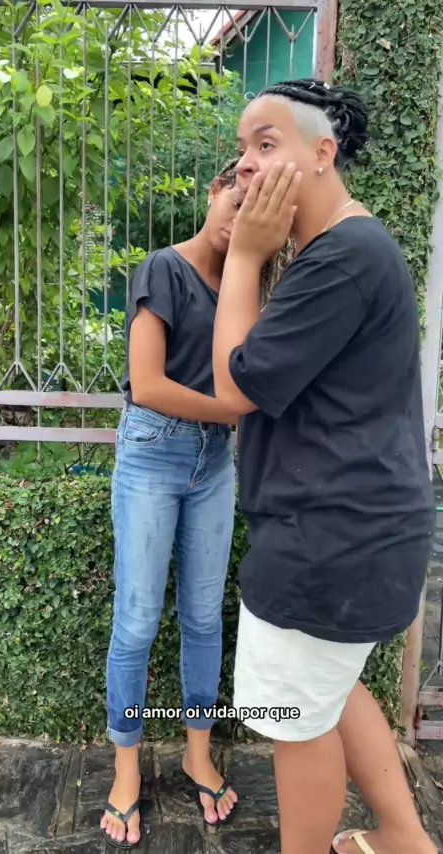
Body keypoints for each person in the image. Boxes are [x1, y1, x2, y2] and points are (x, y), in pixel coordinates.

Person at [212, 79, 436, 854]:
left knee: (294, 718)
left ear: (322, 153)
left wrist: (245, 257)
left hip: (329, 541)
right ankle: (403, 836)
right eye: (242, 148)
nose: (245, 164)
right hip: (353, 533)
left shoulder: (342, 257)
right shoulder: (342, 249)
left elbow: (236, 386)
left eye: (266, 143)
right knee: (330, 696)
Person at [100, 159, 283, 850]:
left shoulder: (248, 289)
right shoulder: (164, 269)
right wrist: (234, 413)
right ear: (215, 192)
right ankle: (126, 768)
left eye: (256, 214)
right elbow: (146, 384)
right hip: (154, 451)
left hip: (213, 463)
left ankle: (196, 754)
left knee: (205, 617)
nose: (240, 220)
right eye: (237, 201)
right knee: (138, 619)